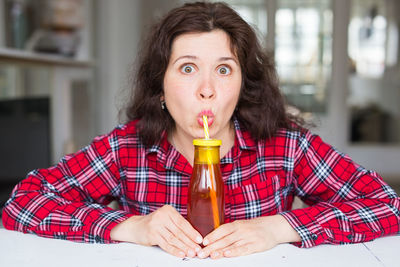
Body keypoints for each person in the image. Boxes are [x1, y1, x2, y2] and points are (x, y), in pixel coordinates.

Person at [2, 1, 400, 260]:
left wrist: (281, 226)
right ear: (161, 83)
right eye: (188, 68)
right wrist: (129, 226)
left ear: (243, 84)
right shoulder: (127, 149)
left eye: (223, 69)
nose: (206, 89)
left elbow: (386, 205)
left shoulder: (285, 146)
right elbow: (24, 203)